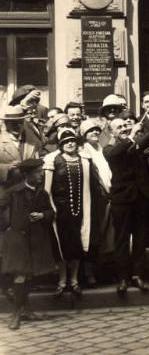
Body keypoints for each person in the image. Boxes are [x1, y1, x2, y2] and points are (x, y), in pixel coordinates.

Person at [104, 108, 149, 295]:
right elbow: (117, 154)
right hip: (122, 200)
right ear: (112, 132)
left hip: (141, 199)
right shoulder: (109, 148)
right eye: (119, 127)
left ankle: (138, 275)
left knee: (140, 238)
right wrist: (131, 134)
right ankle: (123, 277)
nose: (123, 128)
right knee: (121, 240)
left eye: (125, 125)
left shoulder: (136, 143)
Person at [0, 159, 56, 330]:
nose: (41, 175)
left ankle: (26, 309)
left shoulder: (43, 193)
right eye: (38, 172)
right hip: (17, 241)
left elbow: (51, 213)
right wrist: (7, 227)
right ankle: (17, 313)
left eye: (41, 172)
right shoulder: (13, 192)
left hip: (36, 241)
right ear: (26, 175)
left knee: (29, 276)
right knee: (19, 276)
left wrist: (42, 215)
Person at [43, 128, 97, 298]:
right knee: (61, 248)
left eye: (72, 140)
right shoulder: (54, 161)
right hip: (60, 212)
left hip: (79, 211)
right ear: (60, 144)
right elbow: (47, 190)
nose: (70, 143)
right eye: (66, 141)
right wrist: (51, 208)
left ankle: (74, 281)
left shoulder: (84, 161)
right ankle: (62, 281)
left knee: (76, 246)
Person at [79, 119, 114, 287]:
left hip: (109, 196)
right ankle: (89, 273)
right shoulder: (83, 152)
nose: (94, 133)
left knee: (108, 235)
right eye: (90, 131)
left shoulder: (103, 150)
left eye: (96, 130)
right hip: (94, 198)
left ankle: (104, 271)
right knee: (94, 235)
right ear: (84, 135)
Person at [0, 106, 39, 186]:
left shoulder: (32, 141)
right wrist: (7, 168)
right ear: (6, 123)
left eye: (20, 122)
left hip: (28, 189)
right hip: (7, 189)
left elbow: (39, 161)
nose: (18, 126)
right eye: (14, 123)